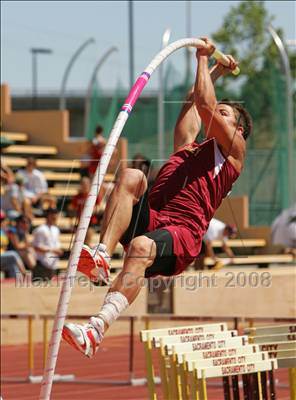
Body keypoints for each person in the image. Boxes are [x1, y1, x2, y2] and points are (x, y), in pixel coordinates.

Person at [62, 37, 252, 357]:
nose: (215, 117)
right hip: (154, 219)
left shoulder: (233, 153)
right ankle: (100, 257)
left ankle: (96, 329)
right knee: (131, 176)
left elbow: (205, 106)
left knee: (140, 247)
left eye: (224, 114)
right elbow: (196, 102)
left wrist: (202, 59)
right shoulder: (186, 149)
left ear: (237, 130)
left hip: (182, 234)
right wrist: (215, 70)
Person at [32, 208, 63, 280]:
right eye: (53, 215)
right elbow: (36, 247)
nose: (55, 217)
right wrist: (52, 251)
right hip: (42, 265)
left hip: (53, 265)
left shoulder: (56, 229)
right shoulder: (41, 229)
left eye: (56, 215)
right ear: (48, 216)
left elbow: (57, 246)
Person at [0, 210, 26, 278]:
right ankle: (25, 274)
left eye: (2, 220)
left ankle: (16, 284)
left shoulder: (5, 231)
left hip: (3, 257)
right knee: (13, 254)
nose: (2, 222)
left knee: (12, 265)